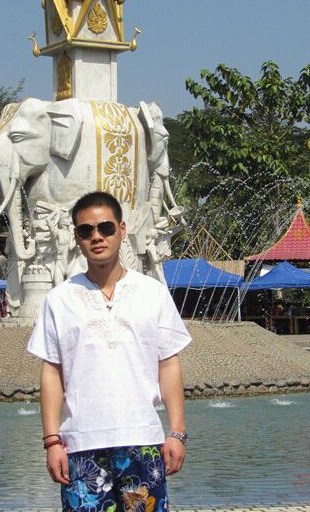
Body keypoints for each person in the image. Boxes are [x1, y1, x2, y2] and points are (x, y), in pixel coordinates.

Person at [27, 191, 192, 511]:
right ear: (77, 237)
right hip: (80, 446)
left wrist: (177, 432)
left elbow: (168, 363)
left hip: (143, 442)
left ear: (122, 230)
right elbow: (52, 371)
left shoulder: (153, 293)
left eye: (105, 227)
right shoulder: (59, 300)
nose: (97, 236)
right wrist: (51, 441)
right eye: (86, 230)